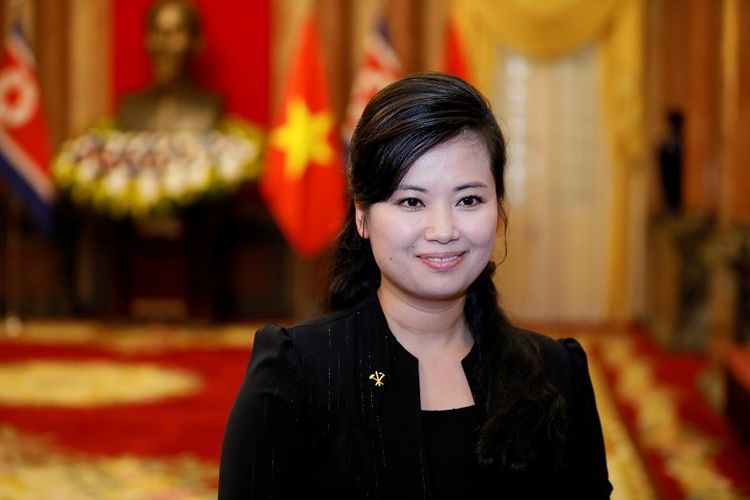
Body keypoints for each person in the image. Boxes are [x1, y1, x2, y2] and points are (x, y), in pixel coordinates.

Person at [219, 72, 612, 498]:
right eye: (411, 201)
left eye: (468, 200)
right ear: (362, 216)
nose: (443, 230)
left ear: (499, 209)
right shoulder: (297, 373)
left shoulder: (557, 373)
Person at [116, 0, 222, 132]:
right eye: (156, 31)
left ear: (197, 42)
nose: (163, 45)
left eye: (175, 32)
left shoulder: (209, 107)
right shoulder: (130, 107)